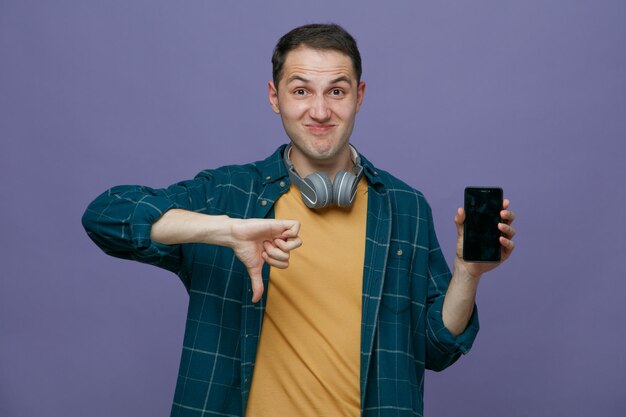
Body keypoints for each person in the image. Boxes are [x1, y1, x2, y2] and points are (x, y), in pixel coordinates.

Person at [82, 23, 516, 417]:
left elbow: (437, 348)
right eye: (302, 91)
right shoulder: (228, 194)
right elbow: (105, 216)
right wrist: (226, 230)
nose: (321, 111)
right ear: (275, 97)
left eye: (337, 91)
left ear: (359, 97)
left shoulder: (404, 207)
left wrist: (467, 273)